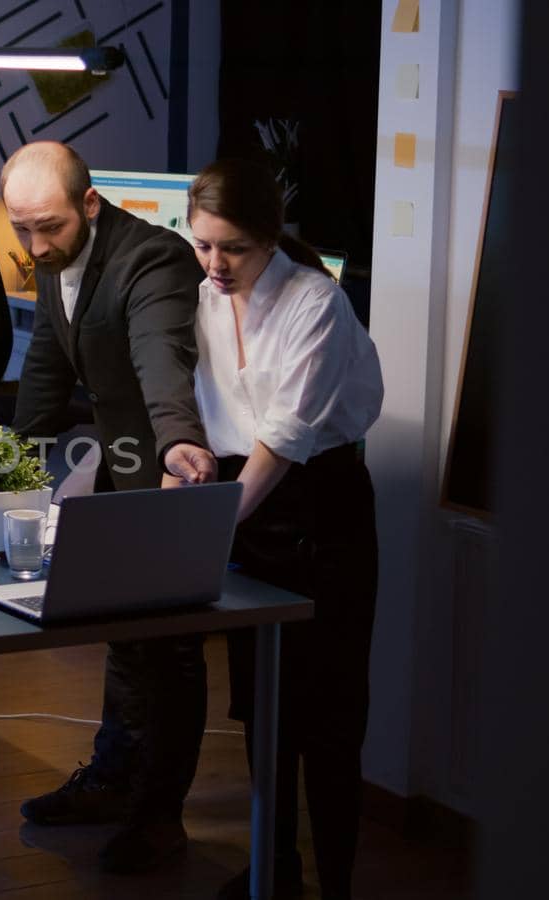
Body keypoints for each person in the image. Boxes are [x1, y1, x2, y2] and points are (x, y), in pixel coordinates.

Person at [1, 141, 217, 874]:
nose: (35, 246)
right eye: (21, 228)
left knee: (171, 647)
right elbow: (48, 362)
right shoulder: (55, 260)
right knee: (126, 639)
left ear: (89, 204)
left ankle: (160, 817)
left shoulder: (152, 261)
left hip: (173, 471)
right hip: (126, 474)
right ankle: (111, 781)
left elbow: (163, 356)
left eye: (50, 228)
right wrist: (3, 470)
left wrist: (177, 443)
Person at [182, 158, 383, 900]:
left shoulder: (316, 303)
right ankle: (275, 872)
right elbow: (215, 415)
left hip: (319, 512)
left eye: (231, 247)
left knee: (330, 723)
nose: (214, 264)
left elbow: (287, 440)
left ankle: (337, 885)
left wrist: (206, 530)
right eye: (202, 244)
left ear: (270, 238)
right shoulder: (203, 295)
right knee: (264, 711)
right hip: (248, 509)